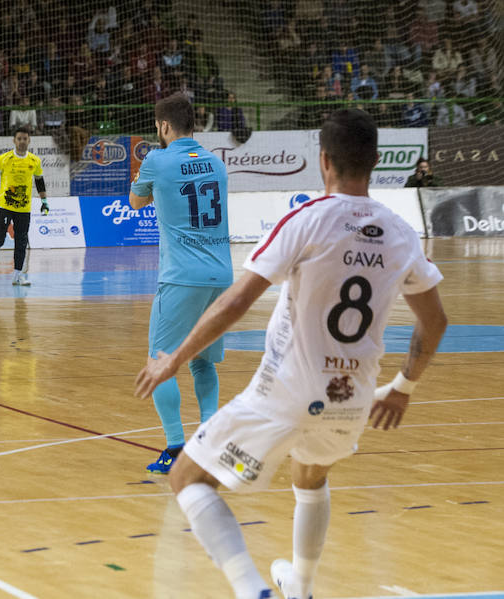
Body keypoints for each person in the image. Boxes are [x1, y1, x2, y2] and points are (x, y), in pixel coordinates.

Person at [135, 109, 448, 599]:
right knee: (311, 473)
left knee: (187, 478)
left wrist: (171, 359)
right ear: (378, 160)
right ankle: (298, 587)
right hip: (353, 398)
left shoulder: (307, 219)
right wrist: (404, 388)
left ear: (323, 160)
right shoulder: (402, 233)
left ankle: (251, 589)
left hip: (286, 392)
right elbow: (436, 321)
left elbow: (237, 302)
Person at [129, 93, 233, 474]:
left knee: (161, 361)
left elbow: (136, 203)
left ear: (164, 126)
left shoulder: (156, 159)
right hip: (222, 275)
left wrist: (143, 178)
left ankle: (175, 447)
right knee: (203, 362)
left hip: (181, 276)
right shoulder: (216, 163)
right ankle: (210, 440)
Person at [0, 125, 48, 287]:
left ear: (29, 140)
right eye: (19, 139)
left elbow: (39, 181)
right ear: (14, 140)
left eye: (25, 139)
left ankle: (18, 276)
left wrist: (44, 201)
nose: (22, 141)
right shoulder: (4, 158)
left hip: (23, 209)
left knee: (21, 242)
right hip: (5, 206)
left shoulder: (34, 161)